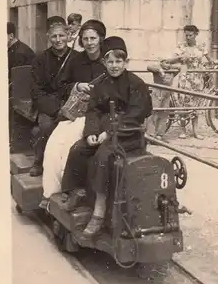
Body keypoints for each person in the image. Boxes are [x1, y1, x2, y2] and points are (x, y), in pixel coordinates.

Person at [60, 36, 152, 238]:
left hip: (128, 135)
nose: (114, 66)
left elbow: (136, 114)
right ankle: (76, 191)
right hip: (102, 132)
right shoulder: (101, 84)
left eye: (119, 61)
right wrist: (91, 133)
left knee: (103, 156)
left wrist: (109, 131)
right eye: (110, 61)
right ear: (104, 62)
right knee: (78, 149)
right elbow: (93, 111)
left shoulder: (136, 84)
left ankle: (99, 212)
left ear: (126, 62)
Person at [39, 19, 107, 209]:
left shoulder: (108, 61)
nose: (89, 43)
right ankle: (50, 192)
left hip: (96, 115)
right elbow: (61, 85)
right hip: (75, 112)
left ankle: (67, 190)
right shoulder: (76, 60)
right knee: (53, 143)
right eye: (85, 39)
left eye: (93, 38)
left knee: (69, 143)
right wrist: (77, 86)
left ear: (100, 39)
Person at [29, 17, 79, 177]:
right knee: (45, 127)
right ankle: (39, 161)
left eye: (61, 36)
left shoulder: (77, 58)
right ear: (48, 38)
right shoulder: (40, 59)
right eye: (54, 37)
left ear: (68, 36)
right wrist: (54, 109)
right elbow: (36, 91)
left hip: (71, 104)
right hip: (49, 105)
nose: (58, 40)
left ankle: (68, 168)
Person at [161, 24, 217, 140]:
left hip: (197, 79)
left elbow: (209, 59)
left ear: (196, 34)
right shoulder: (181, 47)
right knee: (183, 104)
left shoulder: (201, 47)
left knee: (195, 105)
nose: (188, 37)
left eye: (190, 35)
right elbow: (173, 59)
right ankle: (183, 130)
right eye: (186, 35)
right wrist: (180, 58)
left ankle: (196, 131)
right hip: (185, 78)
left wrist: (213, 62)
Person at [7, 22, 35, 149]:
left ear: (11, 35)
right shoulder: (13, 49)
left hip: (24, 93)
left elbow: (17, 80)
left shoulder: (20, 53)